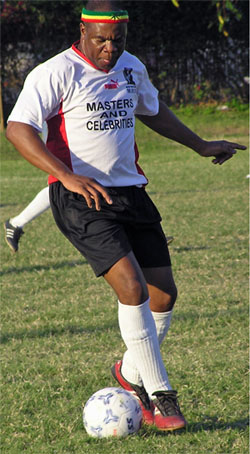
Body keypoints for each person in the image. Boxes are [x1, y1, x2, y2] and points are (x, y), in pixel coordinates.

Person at [5, 0, 246, 431]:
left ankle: (129, 373)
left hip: (131, 193)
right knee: (132, 287)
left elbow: (152, 111)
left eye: (117, 41)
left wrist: (201, 145)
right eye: (100, 40)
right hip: (81, 200)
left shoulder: (131, 66)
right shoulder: (54, 72)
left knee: (163, 295)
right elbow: (18, 128)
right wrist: (66, 176)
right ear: (82, 31)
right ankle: (161, 394)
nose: (109, 50)